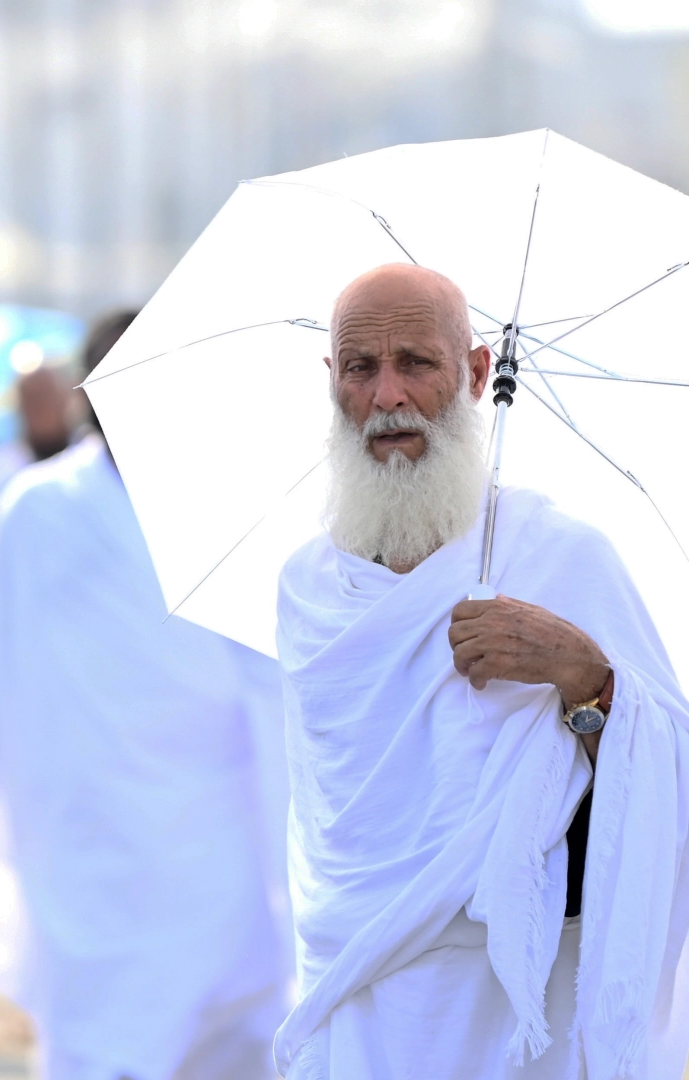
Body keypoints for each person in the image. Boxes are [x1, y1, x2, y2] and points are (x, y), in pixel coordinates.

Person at [273, 263, 689, 1077]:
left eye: (415, 363)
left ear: (473, 374)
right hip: (353, 989)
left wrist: (587, 678)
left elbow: (671, 777)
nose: (387, 396)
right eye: (360, 367)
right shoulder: (308, 588)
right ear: (332, 382)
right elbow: (325, 826)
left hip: (518, 1006)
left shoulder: (561, 556)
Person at [0, 310, 290, 1080]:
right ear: (88, 391)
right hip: (86, 832)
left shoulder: (227, 505)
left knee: (227, 1031)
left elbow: (275, 674)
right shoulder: (37, 508)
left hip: (210, 830)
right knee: (98, 1037)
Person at [0, 365, 79, 565]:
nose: (41, 408)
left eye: (46, 396)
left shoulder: (97, 461)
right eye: (32, 398)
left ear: (65, 399)